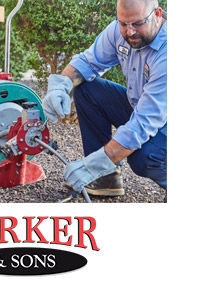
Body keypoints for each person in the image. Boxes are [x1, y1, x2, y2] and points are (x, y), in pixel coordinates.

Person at [42, 0, 167, 196]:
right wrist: (60, 85)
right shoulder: (119, 31)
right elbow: (87, 62)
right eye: (123, 23)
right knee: (87, 89)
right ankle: (105, 179)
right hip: (141, 107)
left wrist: (96, 163)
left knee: (145, 157)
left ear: (157, 14)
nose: (130, 32)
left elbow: (144, 123)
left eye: (138, 23)